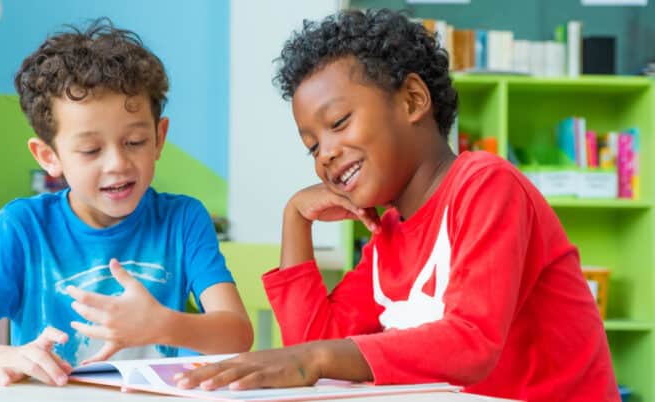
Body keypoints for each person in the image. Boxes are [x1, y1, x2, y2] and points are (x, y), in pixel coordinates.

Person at [175, 9, 618, 401]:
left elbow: (471, 342)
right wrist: (295, 219)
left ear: (412, 100)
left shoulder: (487, 185)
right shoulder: (389, 233)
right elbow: (313, 344)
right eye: (311, 146)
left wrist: (314, 359)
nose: (325, 153)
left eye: (339, 122)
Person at [0, 18, 253, 387]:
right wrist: (7, 356)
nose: (117, 163)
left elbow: (238, 335)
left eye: (134, 142)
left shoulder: (183, 220)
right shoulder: (22, 227)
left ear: (159, 137)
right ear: (49, 156)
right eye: (90, 149)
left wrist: (161, 325)